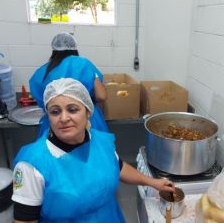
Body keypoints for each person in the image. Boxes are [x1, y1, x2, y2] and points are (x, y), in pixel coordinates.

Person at [12, 78, 175, 222]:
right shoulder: (33, 164)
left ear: (88, 112)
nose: (63, 118)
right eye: (55, 112)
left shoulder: (101, 142)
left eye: (73, 109)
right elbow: (25, 220)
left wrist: (153, 182)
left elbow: (118, 167)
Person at [29, 32, 109, 137]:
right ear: (74, 48)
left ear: (54, 50)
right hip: (86, 121)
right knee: (92, 151)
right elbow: (101, 96)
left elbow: (43, 102)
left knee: (57, 151)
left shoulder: (43, 71)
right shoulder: (83, 64)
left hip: (56, 124)